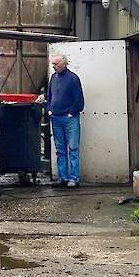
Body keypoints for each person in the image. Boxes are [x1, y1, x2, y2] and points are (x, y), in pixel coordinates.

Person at [38, 54, 84, 188]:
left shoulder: (73, 79)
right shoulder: (53, 77)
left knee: (73, 148)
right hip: (56, 117)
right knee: (60, 149)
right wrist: (49, 109)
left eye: (56, 64)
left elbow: (79, 100)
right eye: (53, 64)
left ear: (64, 64)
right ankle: (63, 178)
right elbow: (50, 95)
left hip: (69, 118)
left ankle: (74, 179)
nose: (54, 66)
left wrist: (71, 113)